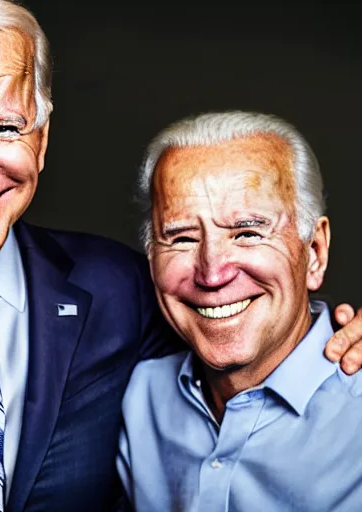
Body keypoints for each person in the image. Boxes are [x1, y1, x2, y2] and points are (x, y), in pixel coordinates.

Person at [0, 0, 358, 509]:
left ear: (42, 138)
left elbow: (251, 311)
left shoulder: (121, 288)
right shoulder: (152, 341)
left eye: (6, 127)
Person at [117, 111, 362, 511]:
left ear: (314, 253)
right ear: (151, 257)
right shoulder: (138, 395)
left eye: (248, 232)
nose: (212, 273)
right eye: (181, 238)